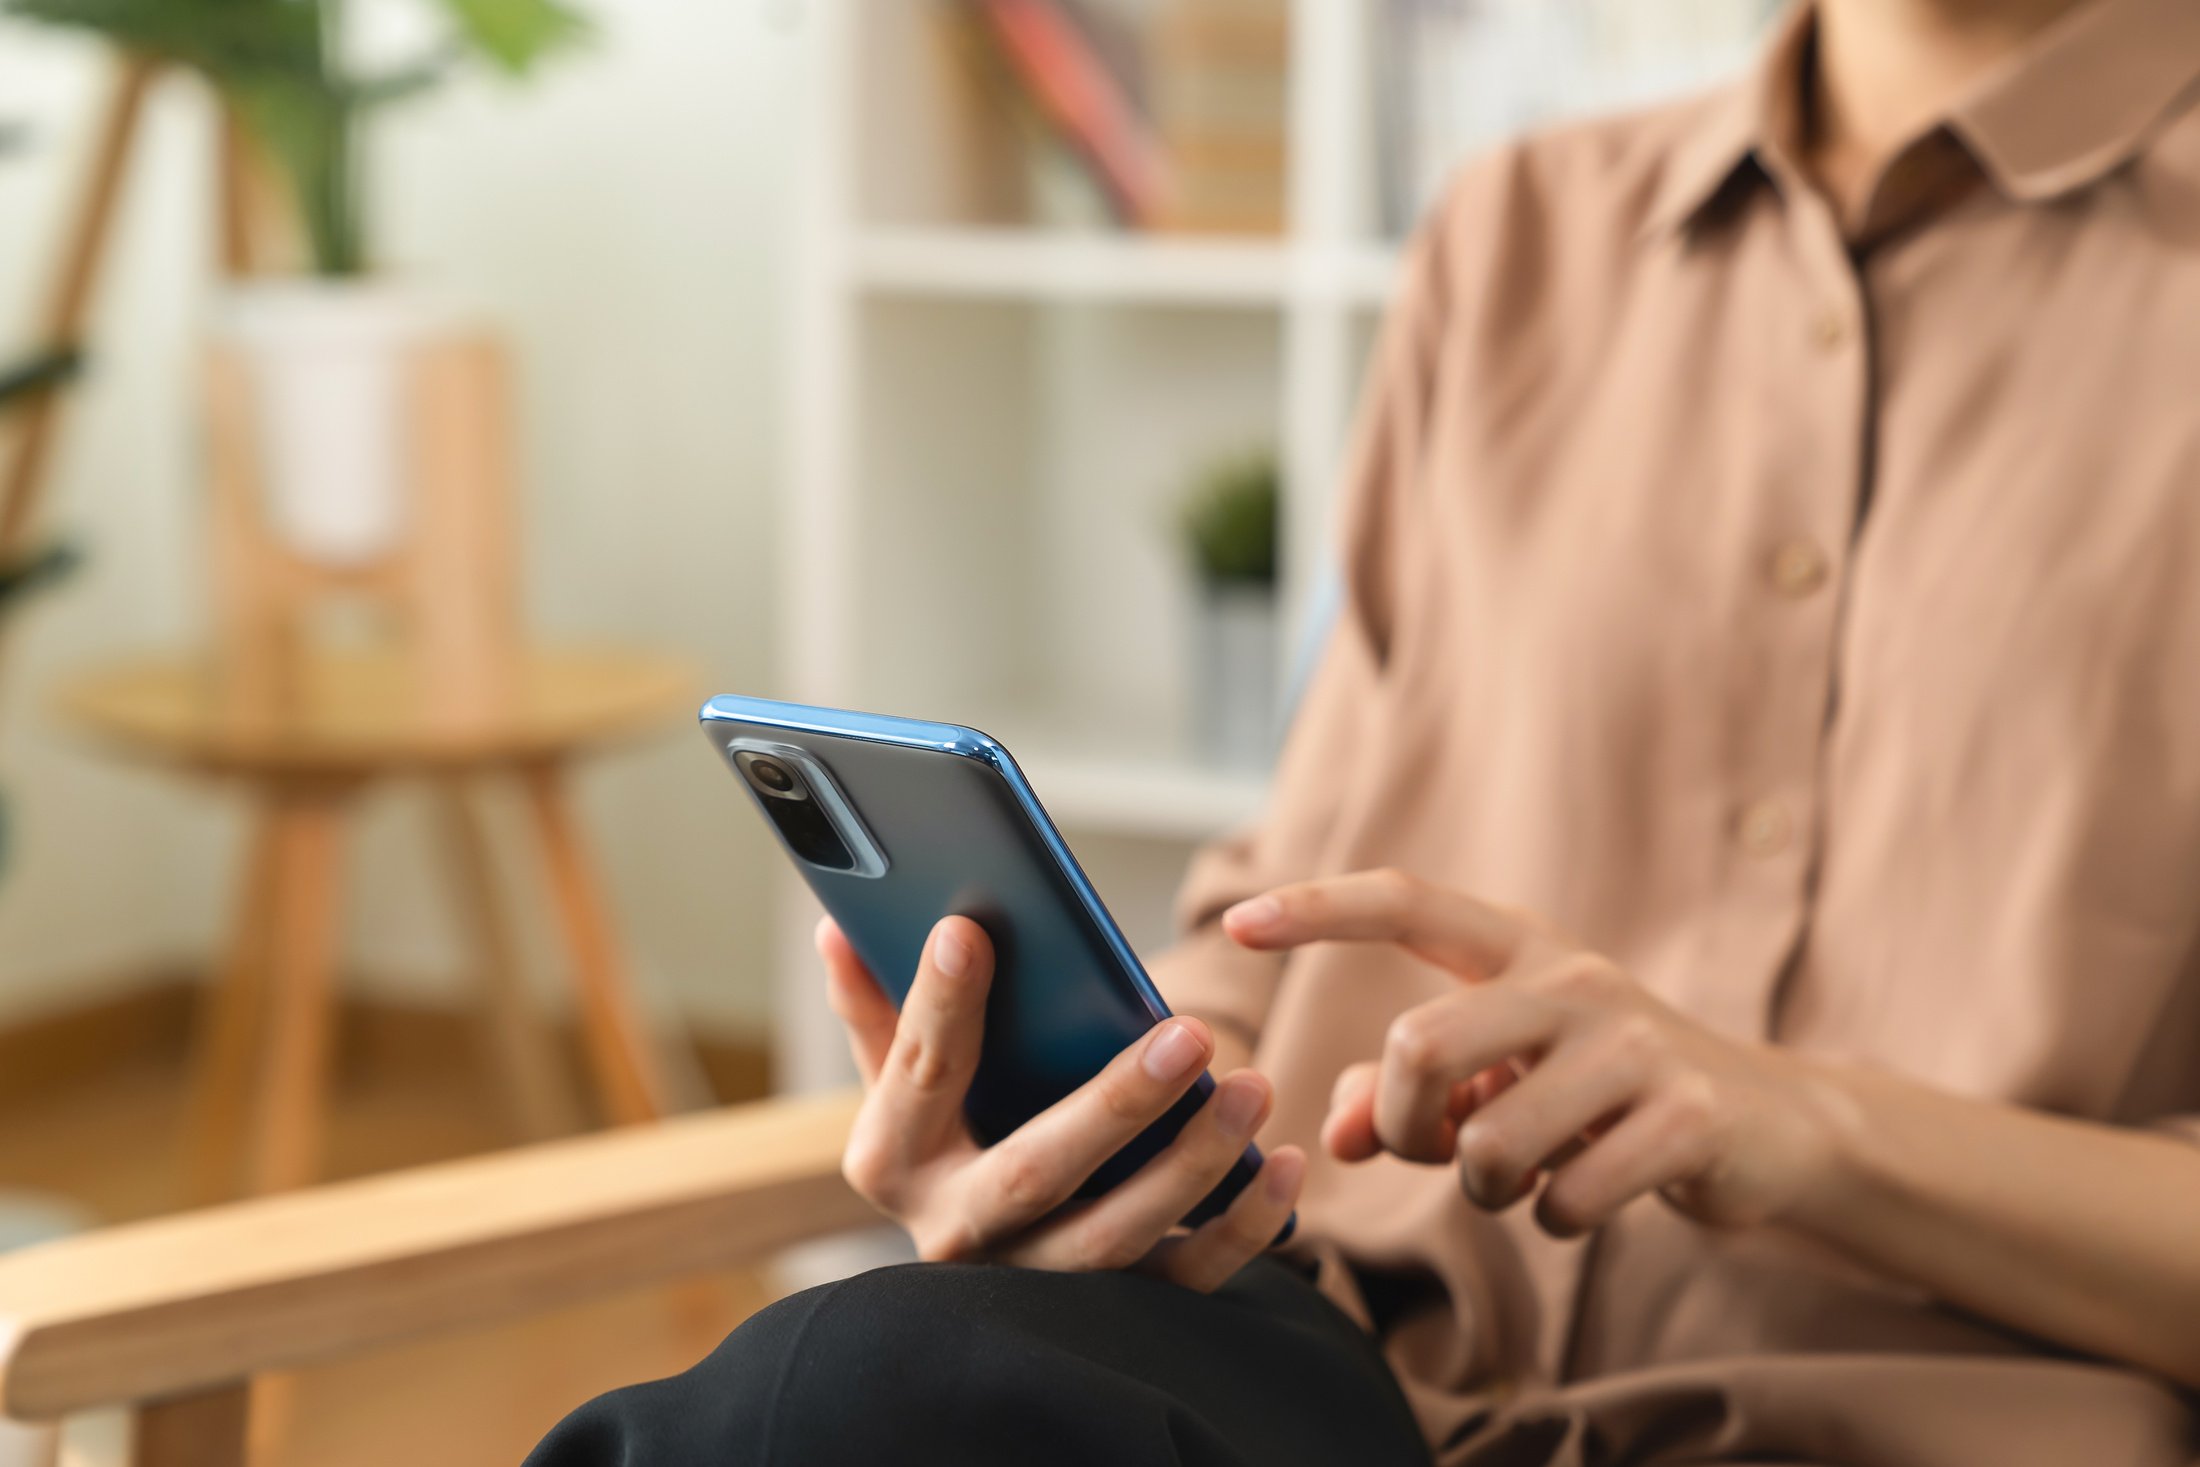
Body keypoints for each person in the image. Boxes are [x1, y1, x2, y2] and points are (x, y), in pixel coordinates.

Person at [529, 0, 2200, 1461]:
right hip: (1349, 1379)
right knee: (851, 1383)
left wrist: (1798, 1124)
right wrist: (1112, 1099)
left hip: (1951, 1427)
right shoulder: (1518, 235)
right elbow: (1283, 899)